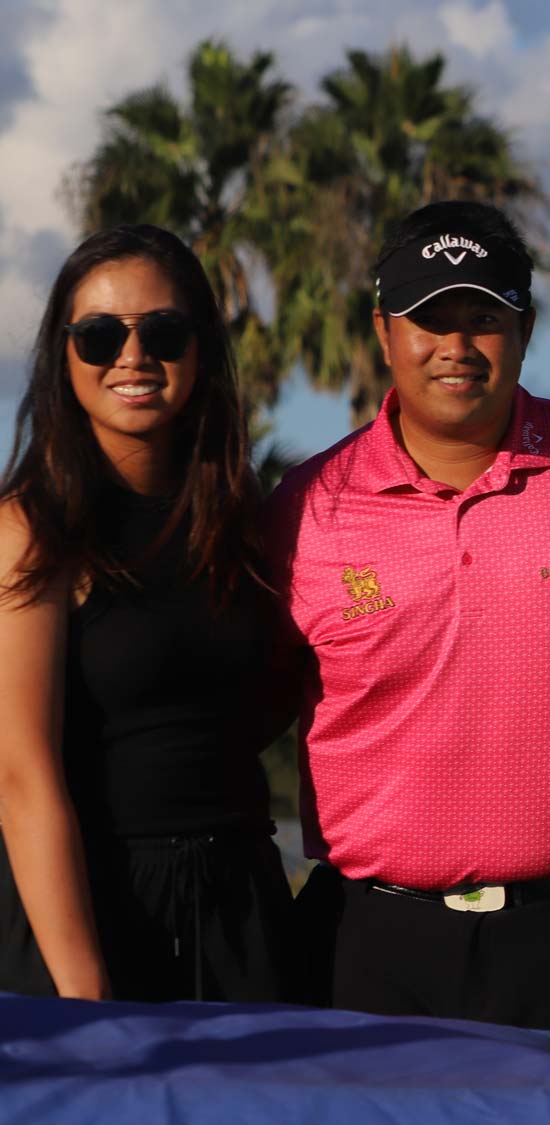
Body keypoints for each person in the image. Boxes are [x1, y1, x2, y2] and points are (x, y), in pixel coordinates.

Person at [266, 200, 550, 1029]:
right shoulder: (308, 505)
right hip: (371, 938)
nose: (455, 346)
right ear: (383, 332)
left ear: (524, 331)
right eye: (429, 320)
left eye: (482, 318)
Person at [0, 224, 294, 1003]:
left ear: (200, 348)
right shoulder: (34, 530)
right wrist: (82, 988)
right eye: (98, 336)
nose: (132, 357)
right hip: (93, 907)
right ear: (64, 358)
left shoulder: (240, 519)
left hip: (244, 902)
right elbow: (19, 773)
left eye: (161, 332)